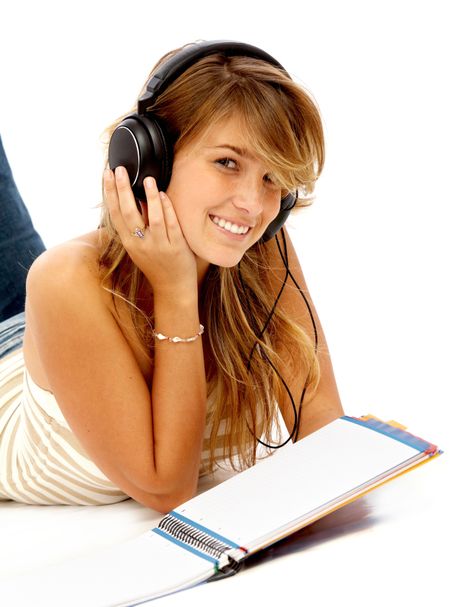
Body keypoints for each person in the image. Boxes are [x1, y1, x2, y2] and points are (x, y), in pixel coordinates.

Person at [0, 40, 343, 512]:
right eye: (228, 162)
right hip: (26, 354)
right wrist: (176, 288)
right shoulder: (64, 279)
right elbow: (168, 487)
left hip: (68, 332)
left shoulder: (258, 246)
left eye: (271, 178)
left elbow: (322, 421)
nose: (253, 204)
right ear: (149, 160)